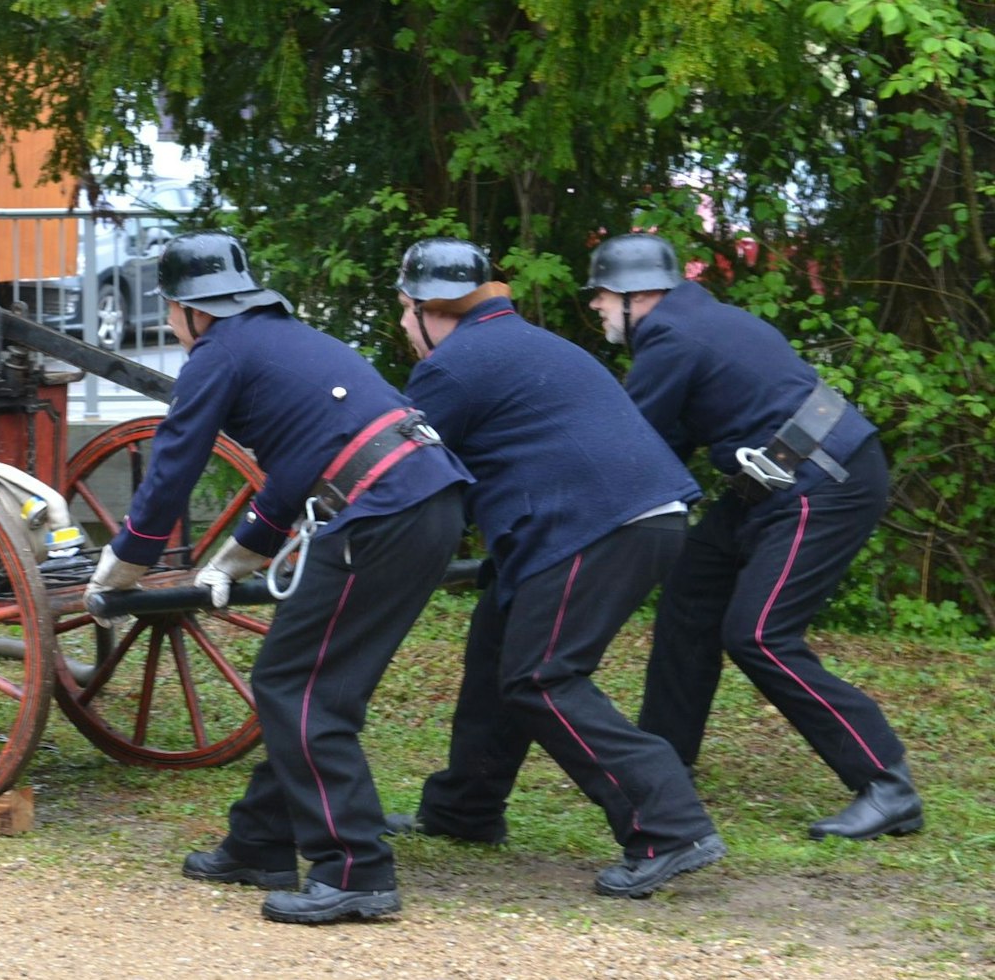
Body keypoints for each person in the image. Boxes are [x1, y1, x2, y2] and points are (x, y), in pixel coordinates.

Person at [84, 232, 473, 925]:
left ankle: (354, 868)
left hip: (380, 511)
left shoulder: (218, 352)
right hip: (426, 499)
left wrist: (123, 563)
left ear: (186, 309)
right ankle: (261, 840)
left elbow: (174, 462)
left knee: (294, 684)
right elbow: (301, 460)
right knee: (319, 681)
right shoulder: (286, 338)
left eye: (172, 313)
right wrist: (243, 552)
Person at [387, 238, 725, 899]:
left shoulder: (453, 366)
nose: (401, 324)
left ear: (430, 308)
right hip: (611, 517)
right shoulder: (513, 338)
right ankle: (465, 807)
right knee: (495, 647)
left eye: (404, 308)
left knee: (541, 675)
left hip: (597, 525)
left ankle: (669, 825)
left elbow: (409, 475)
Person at [586, 234, 921, 841]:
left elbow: (626, 443)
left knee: (759, 634)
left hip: (824, 482)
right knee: (690, 593)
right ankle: (664, 763)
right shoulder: (696, 324)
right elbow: (670, 442)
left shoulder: (673, 336)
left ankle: (886, 784)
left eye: (603, 295)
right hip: (772, 485)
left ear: (640, 295)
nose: (597, 307)